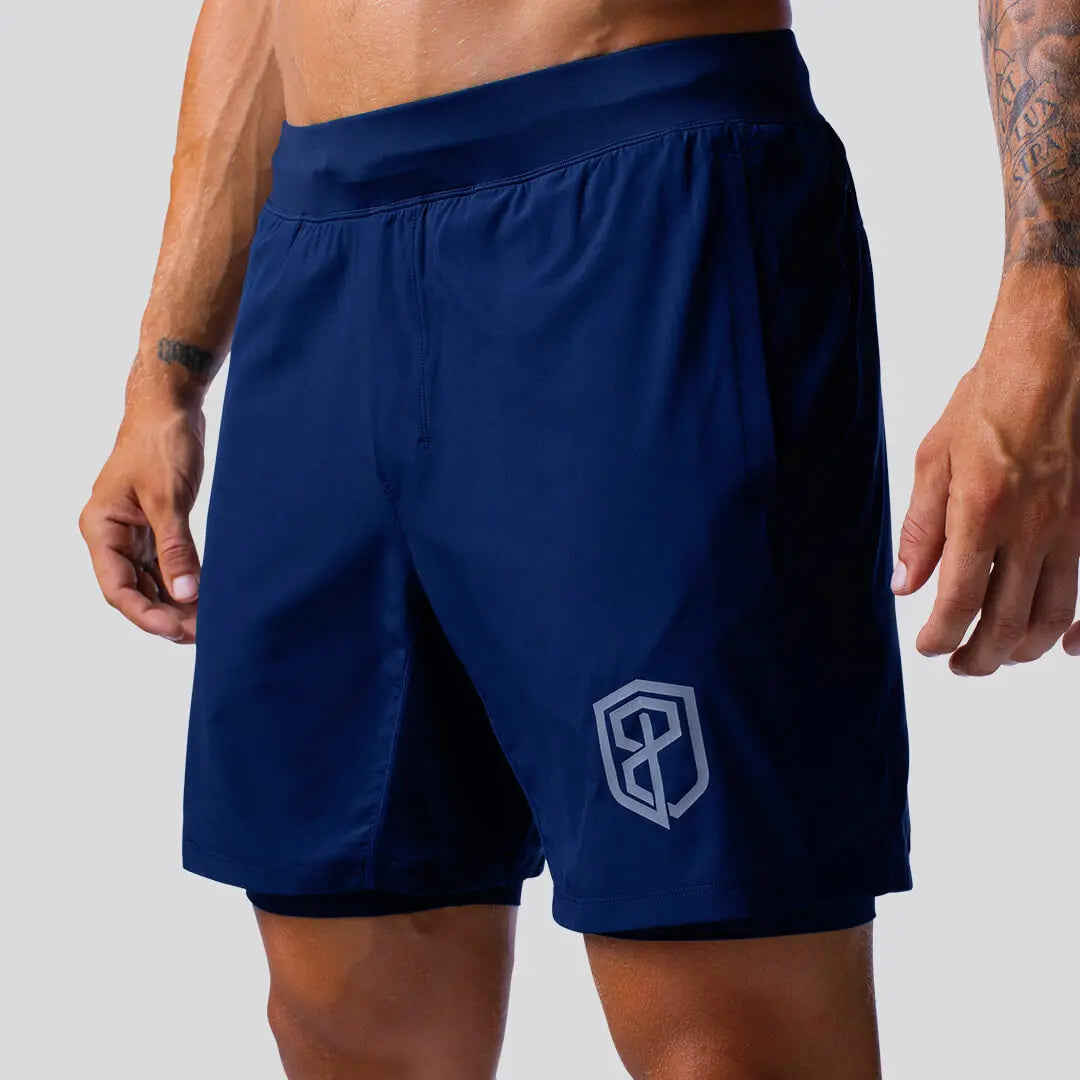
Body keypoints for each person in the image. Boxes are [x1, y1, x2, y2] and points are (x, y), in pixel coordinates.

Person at [79, 1, 1080, 1076]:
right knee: (346, 1017)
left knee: (729, 1021)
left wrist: (1050, 311)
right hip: (317, 254)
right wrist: (166, 373)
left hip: (640, 195)